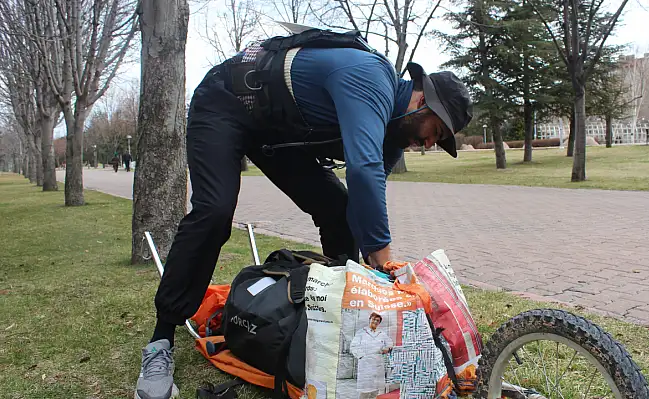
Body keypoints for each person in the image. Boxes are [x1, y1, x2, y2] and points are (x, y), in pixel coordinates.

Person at [133, 29, 472, 399]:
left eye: (437, 142)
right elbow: (363, 170)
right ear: (421, 99)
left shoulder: (393, 134)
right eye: (434, 131)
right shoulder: (371, 76)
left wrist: (376, 281)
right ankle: (160, 340)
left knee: (340, 211)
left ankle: (338, 321)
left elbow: (366, 198)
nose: (427, 144)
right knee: (214, 210)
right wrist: (387, 261)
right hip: (225, 103)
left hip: (274, 133)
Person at [349, 312, 394, 397]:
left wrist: (387, 349)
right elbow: (353, 346)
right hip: (365, 364)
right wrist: (362, 356)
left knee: (376, 390)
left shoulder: (381, 333)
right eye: (374, 319)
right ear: (370, 319)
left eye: (378, 320)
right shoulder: (362, 332)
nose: (375, 322)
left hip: (377, 363)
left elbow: (390, 343)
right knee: (364, 391)